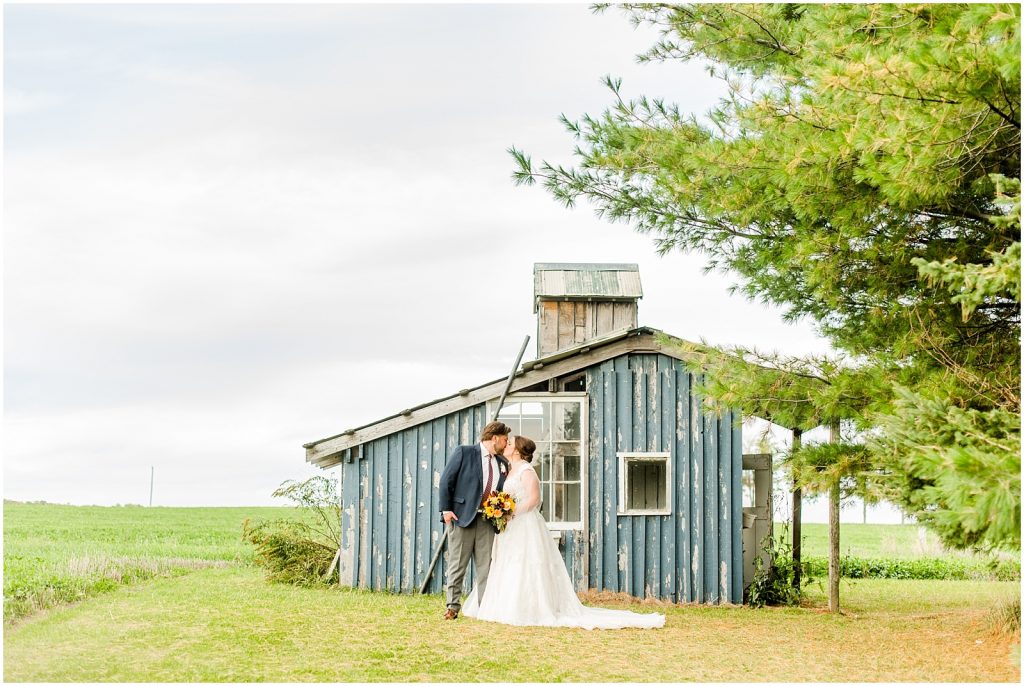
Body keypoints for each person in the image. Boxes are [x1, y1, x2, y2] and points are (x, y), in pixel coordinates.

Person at [462, 435, 665, 630]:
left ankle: (530, 608)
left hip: (525, 524)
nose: (506, 444)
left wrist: (511, 512)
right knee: (507, 562)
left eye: (510, 443)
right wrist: (501, 510)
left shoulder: (526, 471)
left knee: (525, 563)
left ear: (516, 450)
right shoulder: (507, 469)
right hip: (510, 526)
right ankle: (503, 604)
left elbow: (534, 500)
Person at [437, 420, 511, 620]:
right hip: (461, 518)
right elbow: (446, 480)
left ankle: (485, 609)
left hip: (487, 521)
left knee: (486, 567)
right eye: (505, 440)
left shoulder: (502, 463)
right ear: (494, 438)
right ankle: (452, 607)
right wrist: (446, 509)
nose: (507, 444)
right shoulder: (464, 452)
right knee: (457, 565)